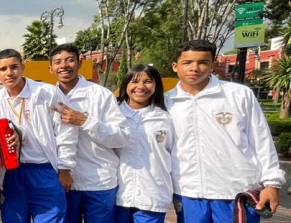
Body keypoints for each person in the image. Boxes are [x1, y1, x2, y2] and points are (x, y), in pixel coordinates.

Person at [166, 40, 285, 223]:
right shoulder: (167, 102)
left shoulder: (238, 94)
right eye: (187, 62)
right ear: (175, 66)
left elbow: (261, 139)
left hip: (235, 191)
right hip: (188, 192)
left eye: (203, 62)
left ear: (212, 65)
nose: (194, 68)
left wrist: (272, 183)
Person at [0, 49, 78, 223]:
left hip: (43, 169)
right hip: (10, 173)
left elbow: (66, 131)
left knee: (51, 218)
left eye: (14, 67)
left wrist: (65, 168)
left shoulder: (46, 92)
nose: (9, 73)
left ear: (22, 67)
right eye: (3, 69)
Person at [47, 44, 130, 223]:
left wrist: (86, 122)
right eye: (57, 62)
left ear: (79, 63)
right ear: (51, 68)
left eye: (70, 60)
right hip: (62, 182)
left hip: (99, 181)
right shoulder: (45, 97)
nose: (64, 66)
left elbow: (121, 136)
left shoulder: (101, 95)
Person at [113, 65, 174, 223]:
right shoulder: (113, 113)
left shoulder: (166, 117)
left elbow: (175, 153)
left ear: (156, 85)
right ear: (126, 84)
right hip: (117, 195)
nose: (141, 87)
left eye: (148, 81)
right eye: (134, 81)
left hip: (152, 195)